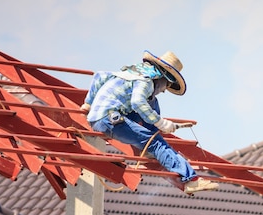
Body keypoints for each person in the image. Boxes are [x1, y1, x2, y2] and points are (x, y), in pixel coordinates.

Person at [80, 50, 218, 195]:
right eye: (167, 86)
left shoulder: (130, 73)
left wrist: (88, 104)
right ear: (162, 78)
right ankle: (190, 179)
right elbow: (138, 102)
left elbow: (99, 76)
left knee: (152, 102)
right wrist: (161, 123)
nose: (164, 90)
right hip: (109, 119)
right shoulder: (146, 82)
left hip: (103, 116)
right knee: (157, 143)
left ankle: (149, 147)